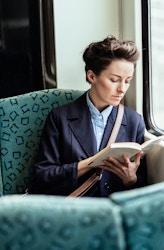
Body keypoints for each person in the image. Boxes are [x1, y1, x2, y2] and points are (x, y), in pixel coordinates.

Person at [31, 36, 147, 197]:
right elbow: (43, 177)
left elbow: (142, 184)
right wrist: (90, 163)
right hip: (72, 210)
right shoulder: (60, 118)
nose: (122, 89)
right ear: (92, 76)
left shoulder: (134, 121)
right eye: (115, 80)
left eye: (128, 81)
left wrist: (131, 179)